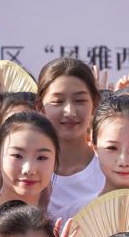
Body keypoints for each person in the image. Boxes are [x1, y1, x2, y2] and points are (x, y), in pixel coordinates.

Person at [35, 57, 101, 219]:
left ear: (95, 104)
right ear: (40, 107)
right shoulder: (28, 172)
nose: (70, 111)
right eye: (58, 101)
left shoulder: (110, 169)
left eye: (79, 100)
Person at [0, 111, 59, 212]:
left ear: (55, 163)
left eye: (41, 158)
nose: (29, 169)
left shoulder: (61, 219)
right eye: (17, 156)